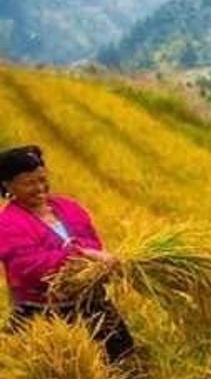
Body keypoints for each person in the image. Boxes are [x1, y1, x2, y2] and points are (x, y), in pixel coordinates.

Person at [0, 144, 134, 362]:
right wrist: (82, 256)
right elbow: (29, 267)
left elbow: (94, 243)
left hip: (91, 303)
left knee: (122, 358)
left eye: (43, 179)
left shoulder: (69, 207)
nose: (40, 187)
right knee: (58, 370)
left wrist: (100, 263)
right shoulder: (7, 223)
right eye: (29, 183)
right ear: (8, 185)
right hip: (43, 313)